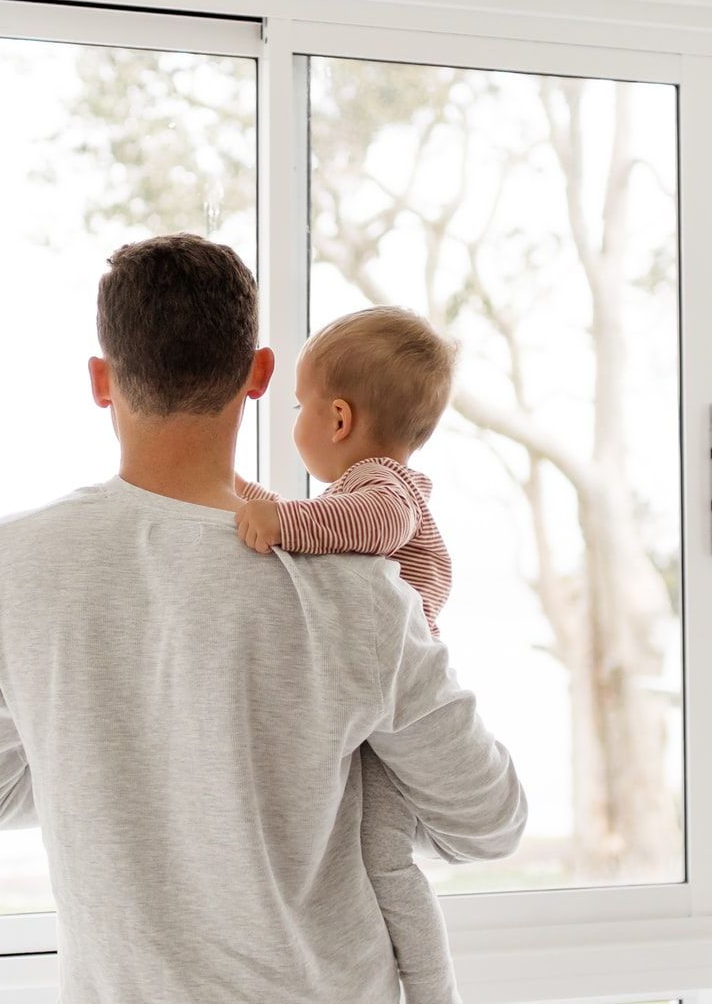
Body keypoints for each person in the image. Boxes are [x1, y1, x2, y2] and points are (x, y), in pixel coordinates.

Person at [0, 234, 527, 1004]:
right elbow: (490, 819)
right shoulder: (359, 590)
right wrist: (279, 787)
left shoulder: (14, 560)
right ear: (259, 374)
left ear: (101, 381)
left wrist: (124, 777)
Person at [234, 305, 463, 1003]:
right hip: (372, 707)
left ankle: (433, 991)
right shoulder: (358, 490)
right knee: (365, 853)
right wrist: (238, 493)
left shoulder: (382, 490)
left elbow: (367, 525)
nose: (294, 418)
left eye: (299, 404)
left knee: (386, 862)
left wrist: (280, 519)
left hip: (395, 707)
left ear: (337, 420)